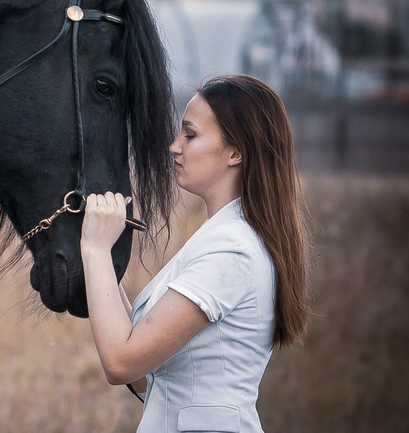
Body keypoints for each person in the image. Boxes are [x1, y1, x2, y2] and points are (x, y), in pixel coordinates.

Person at [80, 74, 309, 432]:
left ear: (236, 152)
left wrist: (94, 250)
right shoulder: (223, 237)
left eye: (190, 134)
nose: (174, 146)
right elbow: (147, 377)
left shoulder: (231, 251)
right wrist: (101, 262)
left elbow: (121, 363)